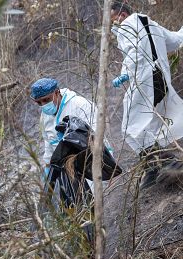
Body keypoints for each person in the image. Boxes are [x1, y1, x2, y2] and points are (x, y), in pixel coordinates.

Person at [110, 1, 183, 188]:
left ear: (122, 15)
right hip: (160, 78)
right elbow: (174, 40)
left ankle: (166, 163)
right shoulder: (149, 23)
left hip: (145, 80)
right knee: (150, 123)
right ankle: (153, 166)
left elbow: (133, 52)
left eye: (113, 20)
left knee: (130, 126)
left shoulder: (127, 25)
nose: (113, 25)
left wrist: (125, 72)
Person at [30, 78, 97, 172]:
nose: (43, 105)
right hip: (66, 168)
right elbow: (49, 142)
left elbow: (95, 134)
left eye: (46, 100)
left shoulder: (80, 105)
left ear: (57, 93)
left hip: (90, 161)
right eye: (39, 102)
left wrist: (70, 138)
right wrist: (48, 166)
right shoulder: (45, 116)